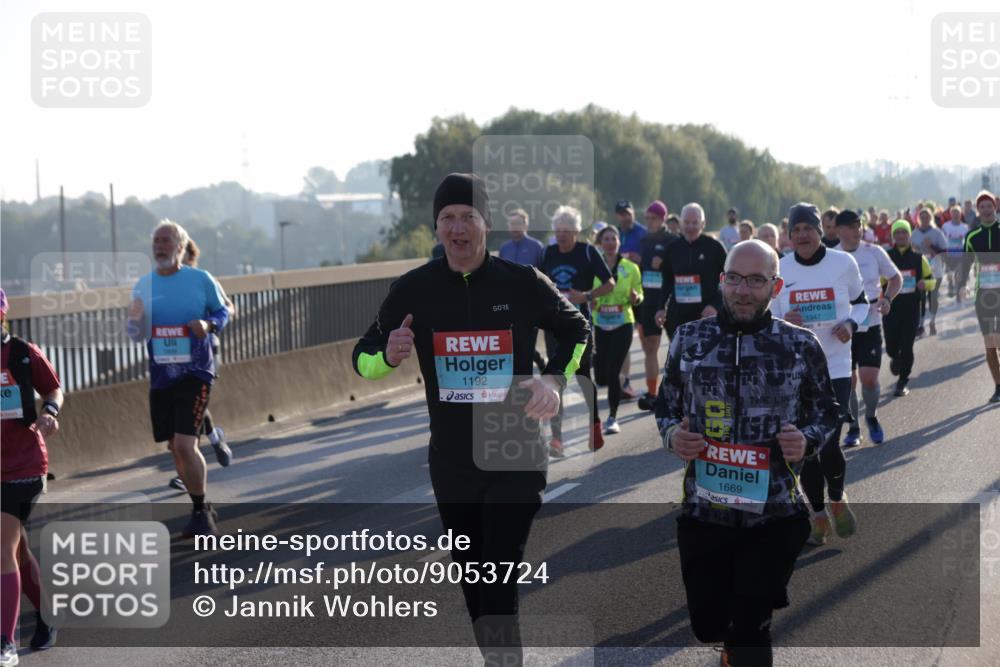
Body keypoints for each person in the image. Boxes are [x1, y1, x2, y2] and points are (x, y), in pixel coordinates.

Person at [352, 173, 590, 663]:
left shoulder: (522, 283)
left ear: (487, 224)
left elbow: (576, 330)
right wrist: (389, 357)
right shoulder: (413, 289)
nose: (457, 228)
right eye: (447, 219)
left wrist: (553, 381)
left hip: (516, 451)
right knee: (476, 590)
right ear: (436, 227)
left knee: (497, 582)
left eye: (468, 217)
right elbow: (363, 354)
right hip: (452, 463)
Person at [656, 240, 839, 667]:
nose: (743, 290)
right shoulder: (690, 339)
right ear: (721, 282)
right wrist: (671, 437)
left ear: (775, 287)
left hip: (773, 515)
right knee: (709, 624)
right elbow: (666, 404)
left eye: (756, 281)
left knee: (752, 626)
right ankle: (727, 643)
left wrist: (807, 440)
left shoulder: (799, 344)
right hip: (705, 513)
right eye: (735, 278)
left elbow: (828, 410)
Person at [770, 203, 867, 546]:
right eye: (795, 230)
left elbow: (863, 302)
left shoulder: (843, 263)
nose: (801, 236)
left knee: (828, 441)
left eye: (807, 229)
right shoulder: (780, 269)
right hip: (798, 373)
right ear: (790, 235)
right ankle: (818, 513)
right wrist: (785, 324)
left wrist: (851, 324)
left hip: (837, 368)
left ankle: (837, 499)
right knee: (806, 447)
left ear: (818, 230)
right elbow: (770, 320)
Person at [127, 220, 231, 538]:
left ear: (181, 247)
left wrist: (208, 324)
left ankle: (200, 512)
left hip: (196, 371)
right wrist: (135, 320)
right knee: (175, 447)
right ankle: (201, 503)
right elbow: (135, 333)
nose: (160, 245)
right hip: (162, 376)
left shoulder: (201, 279)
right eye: (156, 240)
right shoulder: (143, 285)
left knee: (186, 444)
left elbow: (223, 312)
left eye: (166, 240)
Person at [1, 288, 61, 665]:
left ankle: (5, 642)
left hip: (24, 465)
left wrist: (51, 410)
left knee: (1, 546)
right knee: (16, 549)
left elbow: (53, 387)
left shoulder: (23, 352)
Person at [541, 206, 615, 456]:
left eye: (566, 231)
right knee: (555, 381)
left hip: (580, 327)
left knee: (583, 378)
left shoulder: (587, 252)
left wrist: (586, 295)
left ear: (576, 231)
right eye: (558, 230)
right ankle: (557, 440)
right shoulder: (547, 254)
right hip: (553, 329)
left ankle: (595, 429)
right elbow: (533, 285)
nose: (561, 235)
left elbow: (610, 283)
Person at [167, 238, 234, 492]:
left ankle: (190, 468)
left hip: (205, 353)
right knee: (180, 409)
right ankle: (212, 438)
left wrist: (208, 323)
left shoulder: (205, 281)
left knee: (193, 402)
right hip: (174, 354)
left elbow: (229, 308)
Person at [834, 211, 902, 447]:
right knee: (849, 381)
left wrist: (888, 300)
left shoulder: (873, 251)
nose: (858, 230)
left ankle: (871, 417)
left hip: (871, 322)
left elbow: (895, 278)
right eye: (853, 226)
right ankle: (853, 427)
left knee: (869, 379)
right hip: (842, 326)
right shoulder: (832, 256)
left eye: (860, 225)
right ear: (839, 230)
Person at [591, 226, 643, 434]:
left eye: (614, 238)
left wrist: (635, 298)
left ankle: (612, 417)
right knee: (602, 376)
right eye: (606, 239)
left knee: (613, 370)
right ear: (600, 242)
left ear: (619, 242)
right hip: (601, 322)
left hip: (623, 322)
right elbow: (586, 290)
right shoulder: (593, 266)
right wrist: (591, 299)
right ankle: (619, 380)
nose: (610, 242)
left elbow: (639, 294)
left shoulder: (631, 268)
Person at [653, 203, 727, 340]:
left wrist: (716, 305)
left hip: (706, 315)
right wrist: (661, 307)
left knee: (703, 359)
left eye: (695, 222)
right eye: (686, 222)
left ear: (703, 224)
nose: (690, 227)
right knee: (679, 358)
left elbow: (728, 280)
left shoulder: (715, 248)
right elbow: (667, 280)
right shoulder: (672, 248)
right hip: (678, 316)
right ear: (680, 223)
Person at [884, 219, 936, 397]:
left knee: (907, 346)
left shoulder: (919, 258)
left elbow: (932, 281)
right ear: (893, 236)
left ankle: (903, 381)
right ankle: (895, 358)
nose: (900, 236)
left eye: (904, 232)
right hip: (891, 308)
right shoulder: (887, 257)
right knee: (891, 346)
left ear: (909, 235)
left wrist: (925, 283)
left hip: (912, 308)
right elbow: (879, 282)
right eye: (897, 233)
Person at [957, 190, 1000, 403]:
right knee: (990, 344)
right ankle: (998, 386)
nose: (986, 209)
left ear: (995, 207)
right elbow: (966, 264)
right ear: (978, 210)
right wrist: (962, 285)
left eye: (989, 205)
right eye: (981, 206)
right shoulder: (972, 236)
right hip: (983, 296)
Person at [635, 201, 678, 411]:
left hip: (670, 300)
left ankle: (677, 391)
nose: (650, 222)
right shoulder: (643, 240)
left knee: (677, 349)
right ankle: (652, 393)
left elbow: (680, 269)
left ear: (663, 219)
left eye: (653, 218)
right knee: (650, 348)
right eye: (647, 218)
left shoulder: (672, 240)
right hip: (648, 301)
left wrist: (665, 263)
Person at [910, 208, 948, 336]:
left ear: (930, 218)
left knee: (933, 297)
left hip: (935, 268)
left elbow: (945, 251)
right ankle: (920, 325)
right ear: (918, 219)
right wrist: (913, 249)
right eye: (922, 218)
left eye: (927, 217)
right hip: (920, 269)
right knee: (920, 298)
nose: (924, 220)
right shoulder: (914, 234)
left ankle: (932, 321)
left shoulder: (937, 232)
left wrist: (932, 246)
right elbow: (908, 252)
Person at [942, 205, 970, 300]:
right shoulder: (945, 226)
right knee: (950, 273)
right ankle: (950, 284)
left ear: (960, 214)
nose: (955, 215)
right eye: (953, 213)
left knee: (959, 274)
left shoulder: (965, 227)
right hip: (949, 253)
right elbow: (942, 239)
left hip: (960, 254)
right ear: (950, 214)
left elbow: (968, 241)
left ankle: (958, 293)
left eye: (957, 213)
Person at [614, 199, 647, 265]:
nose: (626, 218)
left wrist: (641, 260)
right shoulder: (614, 234)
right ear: (616, 217)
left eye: (628, 214)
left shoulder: (644, 233)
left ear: (633, 214)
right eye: (622, 215)